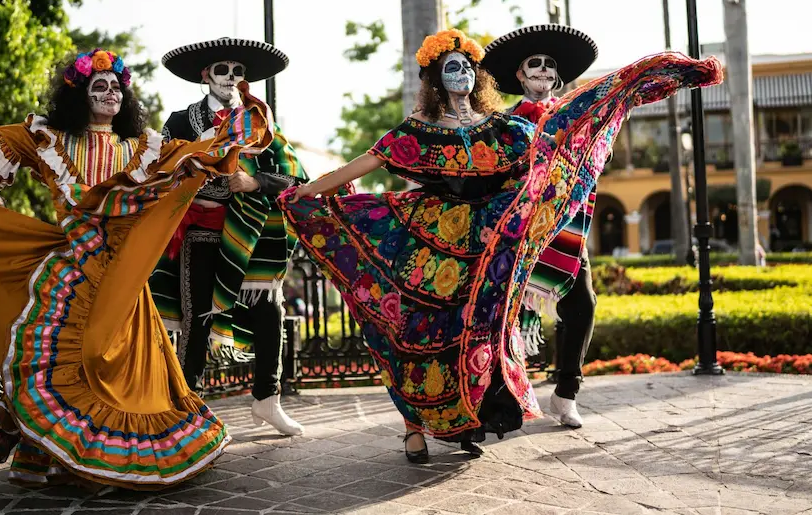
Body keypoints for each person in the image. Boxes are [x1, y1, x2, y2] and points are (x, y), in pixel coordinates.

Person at [279, 29, 723, 464]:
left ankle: (469, 422)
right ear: (435, 79)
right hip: (430, 244)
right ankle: (413, 426)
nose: (462, 75)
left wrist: (630, 86)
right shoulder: (419, 130)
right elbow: (369, 160)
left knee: (479, 333)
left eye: (468, 68)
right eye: (452, 68)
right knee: (417, 332)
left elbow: (555, 144)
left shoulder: (503, 127)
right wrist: (310, 190)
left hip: (488, 247)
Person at [0, 48, 276, 490]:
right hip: (72, 273)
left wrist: (240, 122)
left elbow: (202, 153)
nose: (110, 93)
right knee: (62, 362)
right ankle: (55, 455)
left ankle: (100, 458)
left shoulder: (144, 148)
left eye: (116, 87)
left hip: (123, 276)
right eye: (99, 86)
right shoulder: (50, 139)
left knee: (108, 363)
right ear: (80, 95)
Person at [149, 38, 308, 436]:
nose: (231, 78)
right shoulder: (180, 121)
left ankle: (267, 399)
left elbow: (295, 176)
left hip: (251, 234)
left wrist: (255, 181)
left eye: (239, 71)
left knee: (270, 312)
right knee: (197, 318)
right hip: (199, 233)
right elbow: (159, 172)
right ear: (206, 75)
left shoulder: (261, 121)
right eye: (223, 70)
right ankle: (188, 407)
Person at [482, 24, 599, 428]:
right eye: (536, 63)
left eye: (551, 64)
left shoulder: (576, 116)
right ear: (520, 74)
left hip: (564, 229)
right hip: (517, 232)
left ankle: (566, 393)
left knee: (582, 304)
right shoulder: (501, 123)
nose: (545, 69)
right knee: (504, 315)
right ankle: (507, 396)